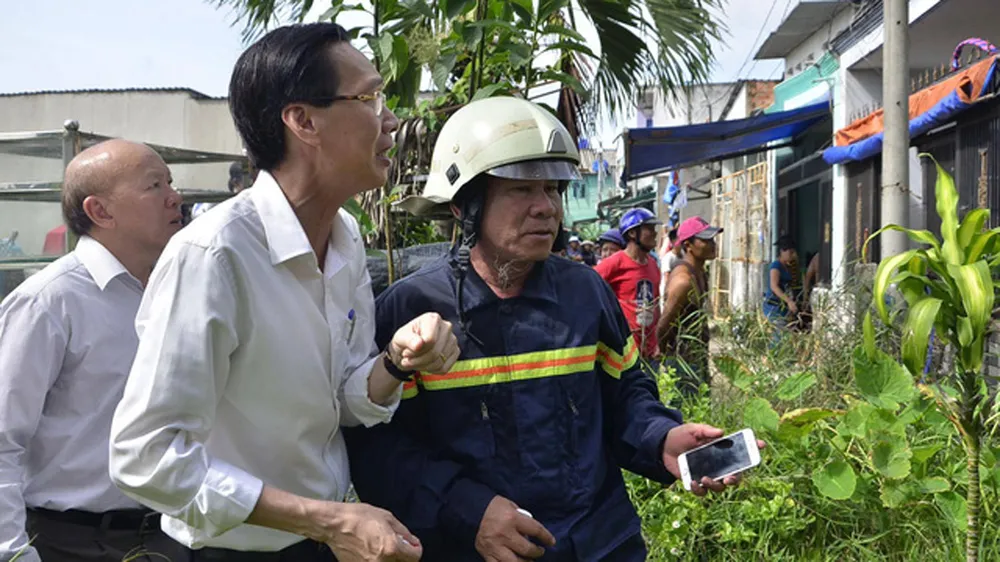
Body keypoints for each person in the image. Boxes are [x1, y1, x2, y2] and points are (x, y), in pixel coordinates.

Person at [344, 96, 759, 562]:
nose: (545, 208)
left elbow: (625, 396)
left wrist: (660, 438)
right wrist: (469, 510)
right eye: (521, 190)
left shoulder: (585, 295)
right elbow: (376, 448)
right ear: (465, 206)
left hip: (600, 544)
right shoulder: (411, 310)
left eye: (553, 189)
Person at [108, 23, 458, 562]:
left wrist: (396, 360)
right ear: (303, 121)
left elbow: (337, 400)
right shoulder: (215, 254)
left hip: (318, 543)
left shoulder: (342, 239)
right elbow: (145, 455)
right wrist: (330, 518)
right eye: (370, 98)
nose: (390, 121)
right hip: (233, 551)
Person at [0, 139, 188, 562]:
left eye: (171, 182)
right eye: (155, 185)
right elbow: (2, 439)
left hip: (171, 538)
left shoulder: (177, 291)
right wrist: (12, 554)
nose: (176, 197)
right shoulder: (49, 302)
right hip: (69, 542)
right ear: (100, 211)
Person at [657, 216, 722, 396]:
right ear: (688, 246)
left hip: (697, 354)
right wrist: (665, 355)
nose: (713, 244)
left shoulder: (700, 272)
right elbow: (664, 324)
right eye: (706, 240)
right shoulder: (683, 281)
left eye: (712, 239)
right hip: (682, 360)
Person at [596, 208, 662, 360]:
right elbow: (590, 291)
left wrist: (656, 341)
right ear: (632, 233)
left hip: (649, 350)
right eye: (649, 228)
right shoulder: (614, 263)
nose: (654, 233)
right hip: (623, 350)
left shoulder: (652, 265)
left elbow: (655, 304)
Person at [763, 236, 799, 334]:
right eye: (790, 253)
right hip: (773, 307)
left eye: (793, 253)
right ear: (782, 251)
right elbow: (774, 286)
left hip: (782, 307)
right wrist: (789, 301)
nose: (792, 255)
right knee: (779, 336)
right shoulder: (776, 266)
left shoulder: (787, 266)